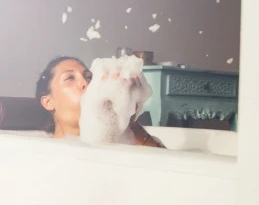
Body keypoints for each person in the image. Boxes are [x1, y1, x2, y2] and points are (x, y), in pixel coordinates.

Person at [35, 56, 164, 147]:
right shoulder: (40, 151)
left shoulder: (118, 141)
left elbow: (166, 166)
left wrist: (129, 121)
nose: (85, 82)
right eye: (70, 78)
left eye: (89, 77)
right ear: (48, 102)